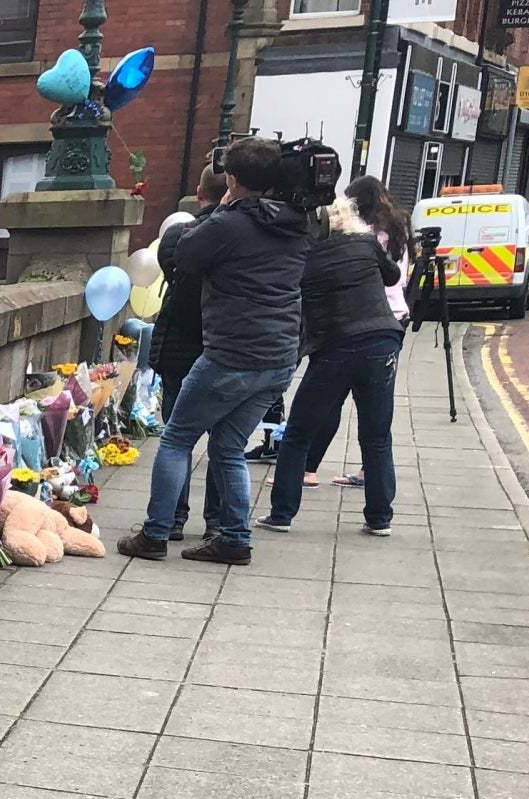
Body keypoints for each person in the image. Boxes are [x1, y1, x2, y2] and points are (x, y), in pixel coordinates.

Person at [120, 138, 311, 567]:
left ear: (233, 178)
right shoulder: (297, 222)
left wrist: (225, 207)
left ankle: (155, 533)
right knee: (228, 446)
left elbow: (184, 254)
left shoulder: (228, 224)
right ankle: (234, 538)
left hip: (232, 353)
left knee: (177, 438)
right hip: (279, 357)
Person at [257, 179, 401, 536]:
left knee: (300, 432)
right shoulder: (367, 244)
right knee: (377, 435)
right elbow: (393, 275)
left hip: (335, 347)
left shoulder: (305, 256)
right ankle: (380, 518)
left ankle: (282, 514)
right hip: (382, 342)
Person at [152, 168, 229, 537]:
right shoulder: (248, 241)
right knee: (225, 442)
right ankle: (217, 521)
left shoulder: (178, 236)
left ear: (198, 192)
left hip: (182, 349)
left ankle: (171, 519)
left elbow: (175, 269)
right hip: (228, 350)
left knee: (177, 437)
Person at [328, 174, 411, 489]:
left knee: (335, 397)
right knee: (378, 403)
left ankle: (305, 468)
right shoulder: (398, 228)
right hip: (396, 317)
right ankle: (369, 472)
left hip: (367, 315)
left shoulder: (368, 235)